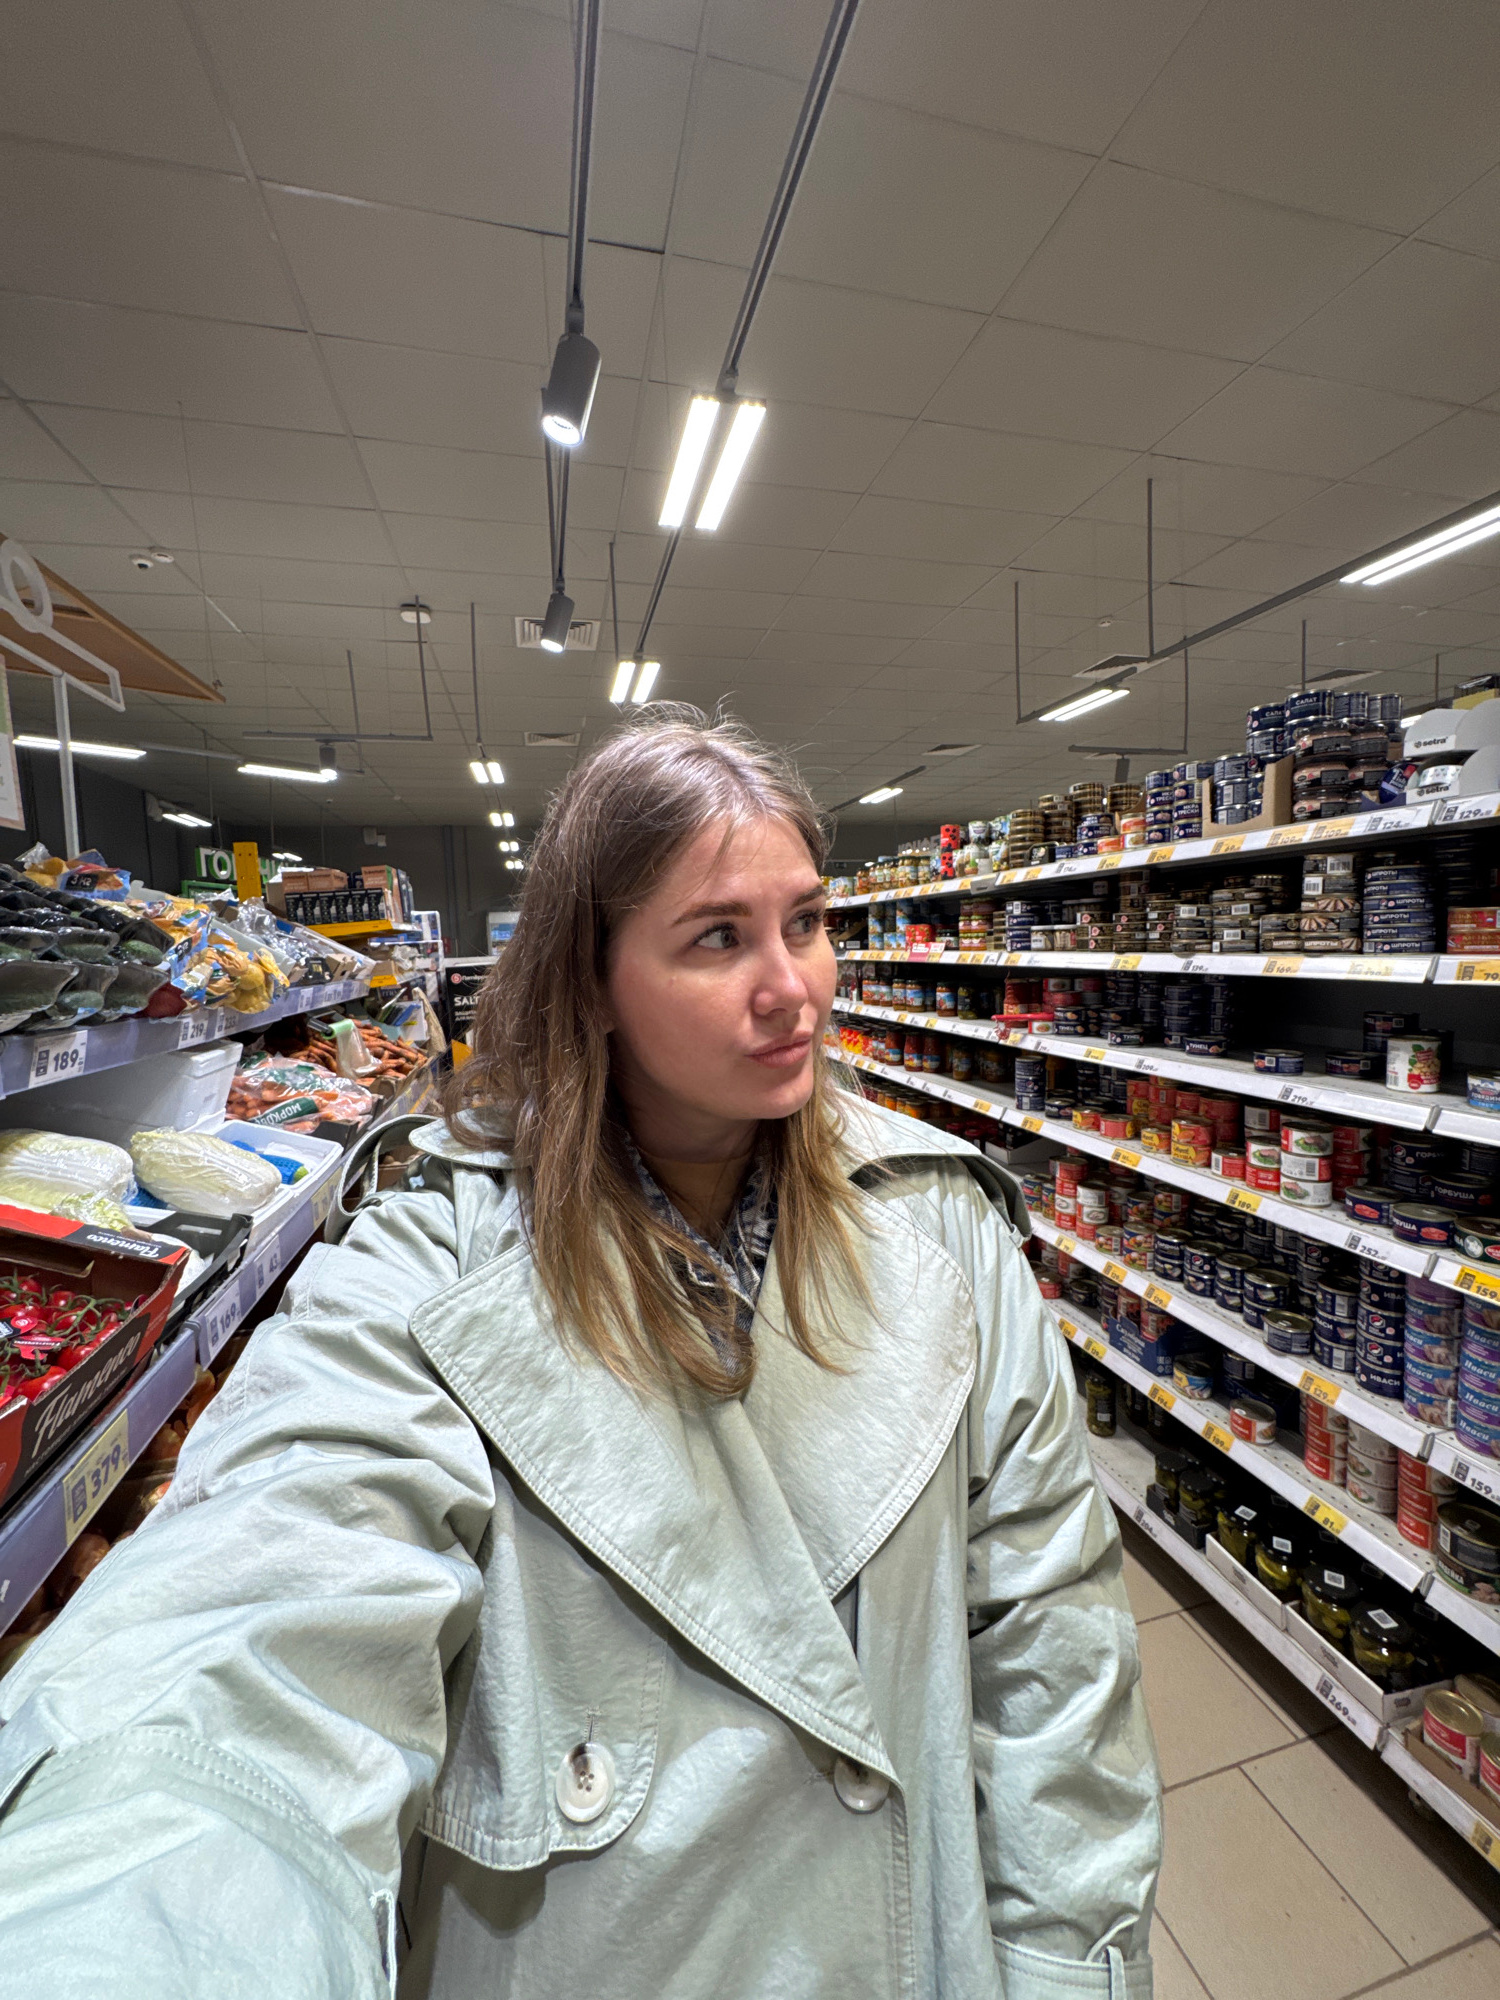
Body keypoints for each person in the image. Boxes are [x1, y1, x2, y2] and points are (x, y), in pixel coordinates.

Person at [0, 710, 1161, 1999]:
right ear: (592, 982)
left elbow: (1056, 1651)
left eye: (805, 922)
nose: (793, 986)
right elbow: (254, 1628)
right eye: (718, 937)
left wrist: (1069, 1972)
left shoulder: (947, 1231)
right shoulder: (432, 1260)